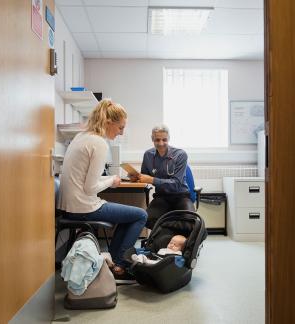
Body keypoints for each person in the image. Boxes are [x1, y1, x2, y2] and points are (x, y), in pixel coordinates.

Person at [58, 98, 147, 282]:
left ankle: (113, 262)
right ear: (108, 123)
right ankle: (121, 265)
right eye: (120, 127)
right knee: (140, 215)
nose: (121, 133)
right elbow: (90, 188)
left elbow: (87, 180)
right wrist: (111, 182)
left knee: (127, 217)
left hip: (70, 206)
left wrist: (109, 180)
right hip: (84, 208)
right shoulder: (99, 143)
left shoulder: (82, 136)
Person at [134, 125, 195, 229]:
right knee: (146, 219)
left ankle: (169, 231)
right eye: (157, 140)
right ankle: (172, 231)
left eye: (164, 140)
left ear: (169, 138)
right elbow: (145, 176)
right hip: (161, 197)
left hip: (181, 196)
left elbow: (176, 184)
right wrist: (136, 178)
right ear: (152, 139)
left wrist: (152, 179)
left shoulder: (180, 154)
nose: (161, 143)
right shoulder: (148, 155)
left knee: (190, 222)